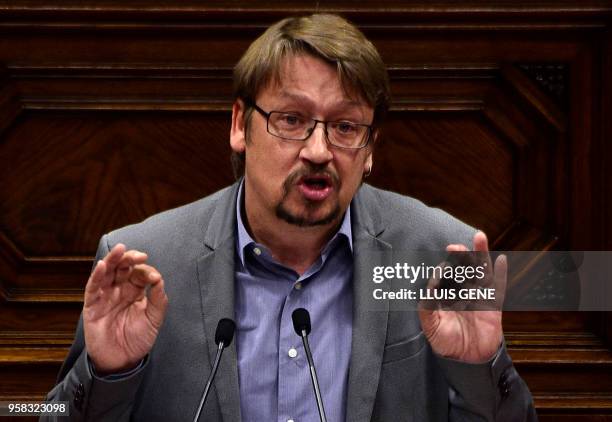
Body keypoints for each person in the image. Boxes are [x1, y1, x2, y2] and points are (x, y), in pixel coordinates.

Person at [42, 13, 537, 422]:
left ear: (369, 150)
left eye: (345, 126)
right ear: (240, 125)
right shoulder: (145, 261)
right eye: (292, 121)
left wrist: (478, 368)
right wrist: (106, 374)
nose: (318, 150)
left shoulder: (442, 255)